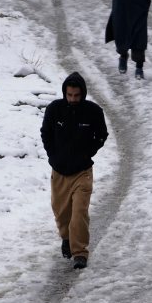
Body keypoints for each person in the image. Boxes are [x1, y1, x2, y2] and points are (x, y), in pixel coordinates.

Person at [40, 72, 108, 270]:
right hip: (59, 171)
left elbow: (102, 135)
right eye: (69, 95)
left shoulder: (93, 112)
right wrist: (52, 155)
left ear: (83, 94)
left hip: (82, 171)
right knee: (61, 213)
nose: (73, 99)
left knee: (79, 213)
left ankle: (80, 253)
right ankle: (66, 238)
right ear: (65, 93)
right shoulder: (55, 110)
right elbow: (46, 133)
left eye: (76, 95)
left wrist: (89, 152)